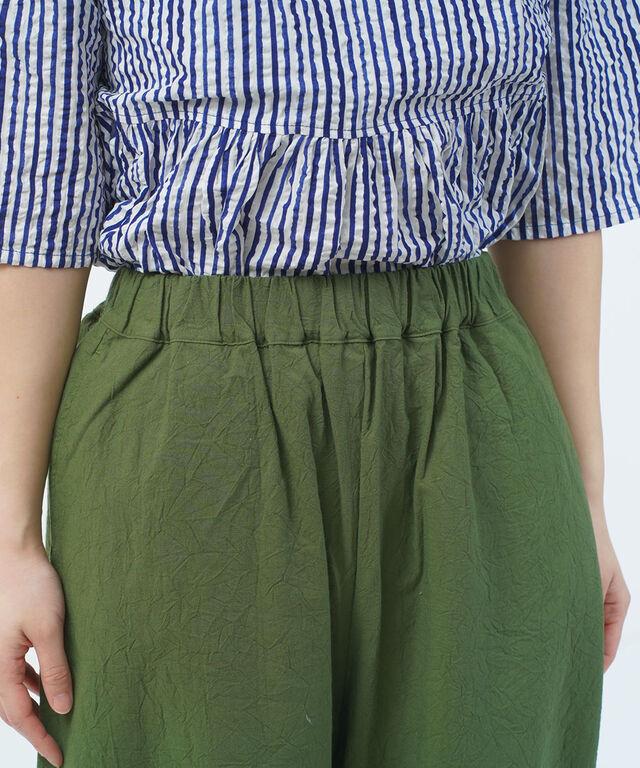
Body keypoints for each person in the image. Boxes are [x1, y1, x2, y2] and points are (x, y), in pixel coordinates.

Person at [0, 0, 637, 766]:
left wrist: (587, 499)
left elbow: (561, 191)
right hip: (189, 415)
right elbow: (37, 200)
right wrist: (10, 541)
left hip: (477, 408)